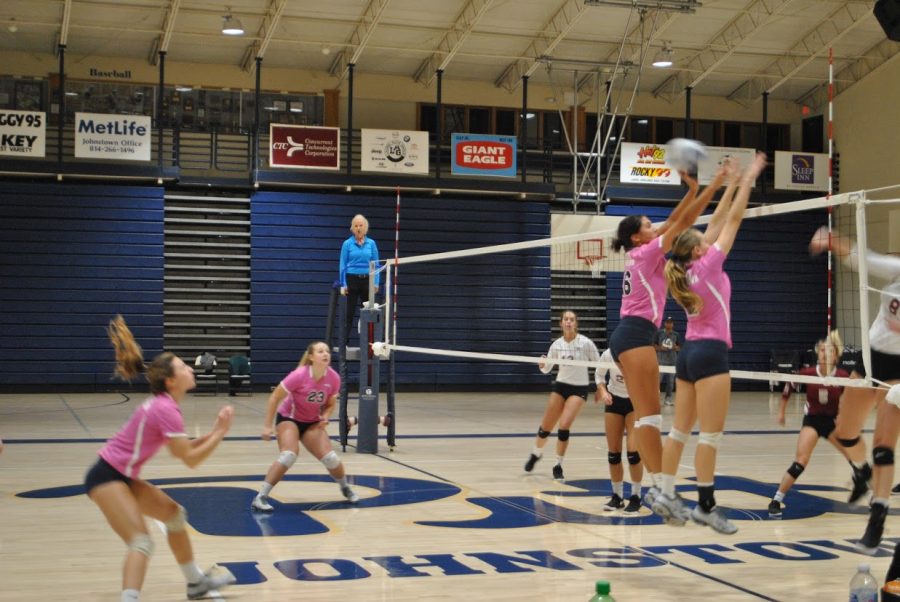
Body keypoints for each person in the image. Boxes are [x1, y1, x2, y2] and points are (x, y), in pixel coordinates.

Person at [651, 153, 766, 534]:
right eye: (703, 240)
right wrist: (749, 179)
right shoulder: (709, 265)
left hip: (687, 356)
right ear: (699, 250)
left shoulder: (683, 269)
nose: (708, 238)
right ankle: (705, 506)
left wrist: (729, 182)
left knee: (679, 432)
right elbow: (731, 221)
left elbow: (716, 223)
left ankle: (666, 493)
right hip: (712, 354)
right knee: (710, 436)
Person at [84, 316, 236, 602]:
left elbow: (182, 448)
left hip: (121, 476)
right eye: (182, 366)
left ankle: (195, 583)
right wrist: (220, 433)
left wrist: (216, 432)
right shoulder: (165, 409)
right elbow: (190, 460)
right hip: (105, 476)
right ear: (171, 381)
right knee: (140, 541)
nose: (190, 368)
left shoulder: (166, 406)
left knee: (174, 516)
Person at [609, 159, 728, 504]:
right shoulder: (647, 253)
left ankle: (660, 486)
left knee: (646, 416)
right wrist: (714, 181)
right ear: (637, 236)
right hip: (634, 336)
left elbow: (676, 221)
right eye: (649, 224)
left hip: (628, 336)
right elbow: (683, 222)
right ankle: (663, 491)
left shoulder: (642, 250)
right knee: (649, 417)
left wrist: (693, 189)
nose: (655, 226)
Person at [809, 227, 900, 553]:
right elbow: (863, 259)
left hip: (899, 373)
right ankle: (861, 474)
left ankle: (877, 519)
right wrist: (832, 241)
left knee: (883, 444)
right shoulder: (896, 270)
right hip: (872, 358)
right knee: (844, 431)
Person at [252, 341, 359, 511]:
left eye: (327, 351)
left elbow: (330, 404)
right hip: (289, 418)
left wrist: (324, 417)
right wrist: (267, 426)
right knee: (288, 455)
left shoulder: (334, 378)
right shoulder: (299, 375)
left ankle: (344, 487)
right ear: (311, 357)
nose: (325, 354)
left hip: (312, 422)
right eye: (320, 351)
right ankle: (261, 497)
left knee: (331, 458)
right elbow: (274, 397)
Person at [768, 330, 852, 518]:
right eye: (821, 350)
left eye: (828, 350)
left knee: (855, 458)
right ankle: (776, 500)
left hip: (832, 422)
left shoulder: (842, 375)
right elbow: (789, 385)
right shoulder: (808, 373)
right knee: (800, 462)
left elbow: (850, 398)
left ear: (835, 355)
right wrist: (782, 411)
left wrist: (844, 416)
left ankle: (875, 499)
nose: (824, 353)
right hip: (813, 421)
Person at [524, 310, 600, 481]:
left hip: (579, 389)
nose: (568, 322)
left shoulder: (585, 343)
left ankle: (558, 465)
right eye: (565, 319)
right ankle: (536, 454)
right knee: (545, 428)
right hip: (560, 387)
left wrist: (600, 388)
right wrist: (542, 364)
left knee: (564, 425)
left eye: (572, 319)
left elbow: (599, 364)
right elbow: (546, 369)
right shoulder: (557, 345)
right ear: (561, 323)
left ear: (576, 323)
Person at [596, 348, 643, 513]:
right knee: (613, 453)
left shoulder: (640, 353)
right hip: (614, 401)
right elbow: (599, 375)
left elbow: (652, 379)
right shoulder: (609, 353)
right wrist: (603, 391)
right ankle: (617, 496)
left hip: (635, 401)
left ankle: (636, 496)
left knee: (633, 452)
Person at [339, 214, 380, 345]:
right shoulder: (347, 244)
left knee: (368, 312)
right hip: (352, 280)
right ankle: (345, 341)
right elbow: (342, 264)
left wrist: (376, 282)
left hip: (367, 280)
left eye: (361, 225)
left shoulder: (371, 243)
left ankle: (369, 341)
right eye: (356, 226)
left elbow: (376, 263)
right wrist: (343, 283)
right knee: (349, 313)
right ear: (352, 228)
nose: (358, 228)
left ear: (365, 227)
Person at [655, 317, 681, 406]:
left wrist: (675, 347)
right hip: (661, 361)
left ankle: (668, 399)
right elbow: (653, 345)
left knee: (670, 382)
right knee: (657, 381)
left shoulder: (676, 334)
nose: (669, 324)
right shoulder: (658, 333)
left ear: (673, 324)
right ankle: (654, 399)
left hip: (672, 361)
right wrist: (660, 348)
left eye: (670, 323)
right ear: (664, 323)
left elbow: (680, 347)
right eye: (667, 322)